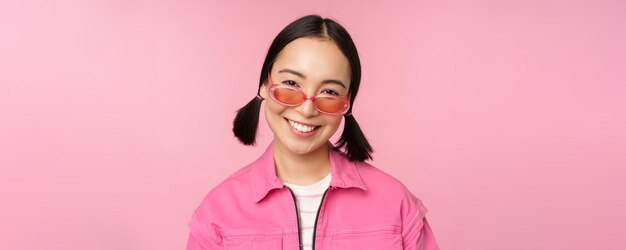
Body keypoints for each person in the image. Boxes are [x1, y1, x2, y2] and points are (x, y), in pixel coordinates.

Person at [186, 14, 440, 250]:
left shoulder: (396, 205)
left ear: (347, 101)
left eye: (329, 92)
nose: (307, 109)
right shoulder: (217, 213)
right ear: (264, 84)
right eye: (291, 84)